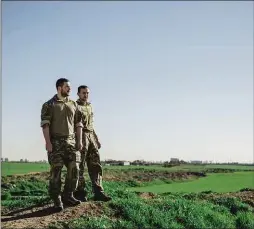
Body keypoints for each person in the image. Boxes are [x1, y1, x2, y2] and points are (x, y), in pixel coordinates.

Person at [40, 78, 83, 211]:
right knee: (56, 172)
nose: (70, 89)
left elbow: (78, 124)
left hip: (71, 142)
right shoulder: (49, 104)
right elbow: (45, 125)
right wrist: (48, 143)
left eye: (69, 87)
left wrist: (79, 141)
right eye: (67, 87)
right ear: (59, 88)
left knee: (74, 169)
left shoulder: (74, 104)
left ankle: (68, 195)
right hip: (56, 142)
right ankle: (56, 199)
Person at [74, 85, 111, 202]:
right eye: (83, 93)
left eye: (87, 93)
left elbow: (91, 125)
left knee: (96, 165)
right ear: (78, 94)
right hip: (81, 136)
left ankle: (99, 192)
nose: (86, 95)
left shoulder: (90, 107)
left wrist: (96, 138)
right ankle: (80, 193)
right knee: (79, 166)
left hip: (91, 136)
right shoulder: (75, 106)